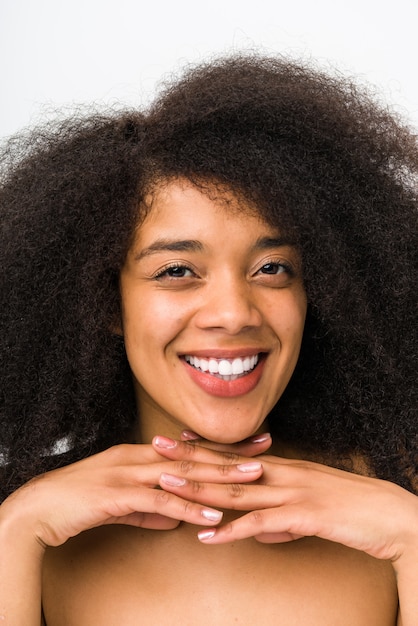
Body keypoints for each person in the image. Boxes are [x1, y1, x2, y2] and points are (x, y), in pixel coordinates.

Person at [0, 54, 417, 625]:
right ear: (108, 304)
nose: (233, 314)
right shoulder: (30, 526)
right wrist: (15, 534)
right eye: (176, 271)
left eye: (272, 268)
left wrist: (410, 537)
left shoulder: (401, 500)